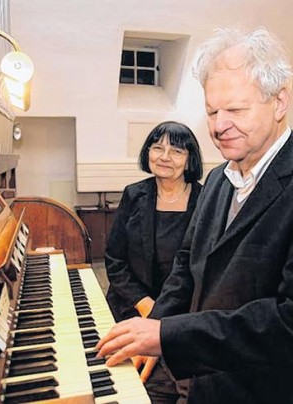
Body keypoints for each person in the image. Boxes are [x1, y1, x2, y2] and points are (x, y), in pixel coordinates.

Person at [97, 26, 293, 404]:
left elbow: (286, 322)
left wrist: (168, 336)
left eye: (235, 109)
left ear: (279, 102)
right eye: (211, 111)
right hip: (205, 378)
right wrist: (155, 326)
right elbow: (187, 267)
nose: (219, 125)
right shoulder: (220, 177)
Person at [105, 121, 203, 393]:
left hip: (181, 314)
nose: (164, 157)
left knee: (162, 386)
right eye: (157, 147)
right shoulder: (134, 195)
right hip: (130, 306)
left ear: (190, 159)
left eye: (176, 151)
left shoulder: (205, 200)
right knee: (119, 383)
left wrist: (162, 317)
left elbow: (199, 270)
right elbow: (114, 260)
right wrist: (145, 304)